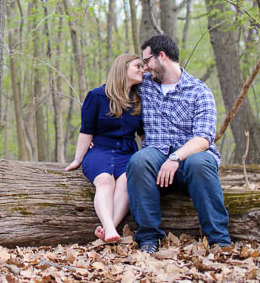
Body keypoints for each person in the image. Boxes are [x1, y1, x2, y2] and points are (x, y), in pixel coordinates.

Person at [127, 34, 232, 254]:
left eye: (147, 61)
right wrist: (96, 136)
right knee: (138, 161)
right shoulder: (144, 86)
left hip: (190, 161)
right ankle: (148, 237)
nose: (145, 68)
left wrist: (176, 158)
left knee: (200, 162)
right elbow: (110, 94)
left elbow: (204, 138)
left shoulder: (199, 91)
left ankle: (219, 240)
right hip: (155, 155)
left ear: (162, 56)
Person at [65, 54, 145, 243]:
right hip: (100, 150)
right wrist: (78, 159)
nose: (143, 70)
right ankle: (109, 228)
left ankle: (109, 229)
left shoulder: (138, 99)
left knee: (126, 182)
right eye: (138, 66)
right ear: (122, 69)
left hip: (127, 152)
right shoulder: (97, 96)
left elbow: (142, 134)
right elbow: (86, 131)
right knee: (105, 181)